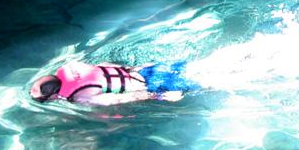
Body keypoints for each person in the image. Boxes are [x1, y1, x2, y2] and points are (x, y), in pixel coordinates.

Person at [30, 60, 200, 105]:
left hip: (154, 85)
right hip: (145, 71)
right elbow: (105, 65)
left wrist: (158, 96)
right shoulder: (72, 68)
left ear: (53, 97)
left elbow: (118, 99)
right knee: (198, 67)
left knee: (207, 80)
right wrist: (133, 68)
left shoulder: (81, 97)